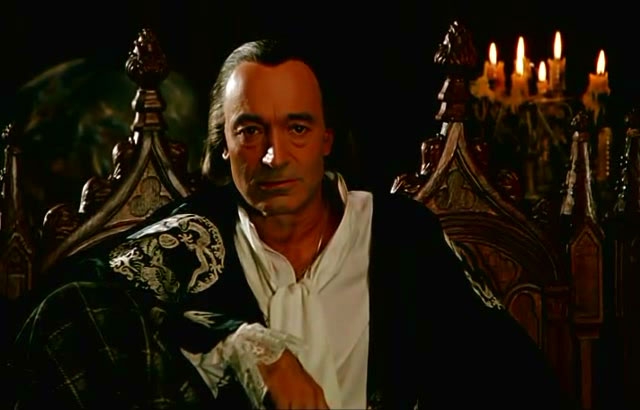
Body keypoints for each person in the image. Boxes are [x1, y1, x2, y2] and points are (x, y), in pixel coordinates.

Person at [5, 38, 576, 410]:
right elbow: (58, 309)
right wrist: (242, 343)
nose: (274, 156)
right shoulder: (193, 237)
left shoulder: (403, 238)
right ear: (223, 146)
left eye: (296, 129)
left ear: (326, 139)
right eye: (250, 131)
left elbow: (518, 380)